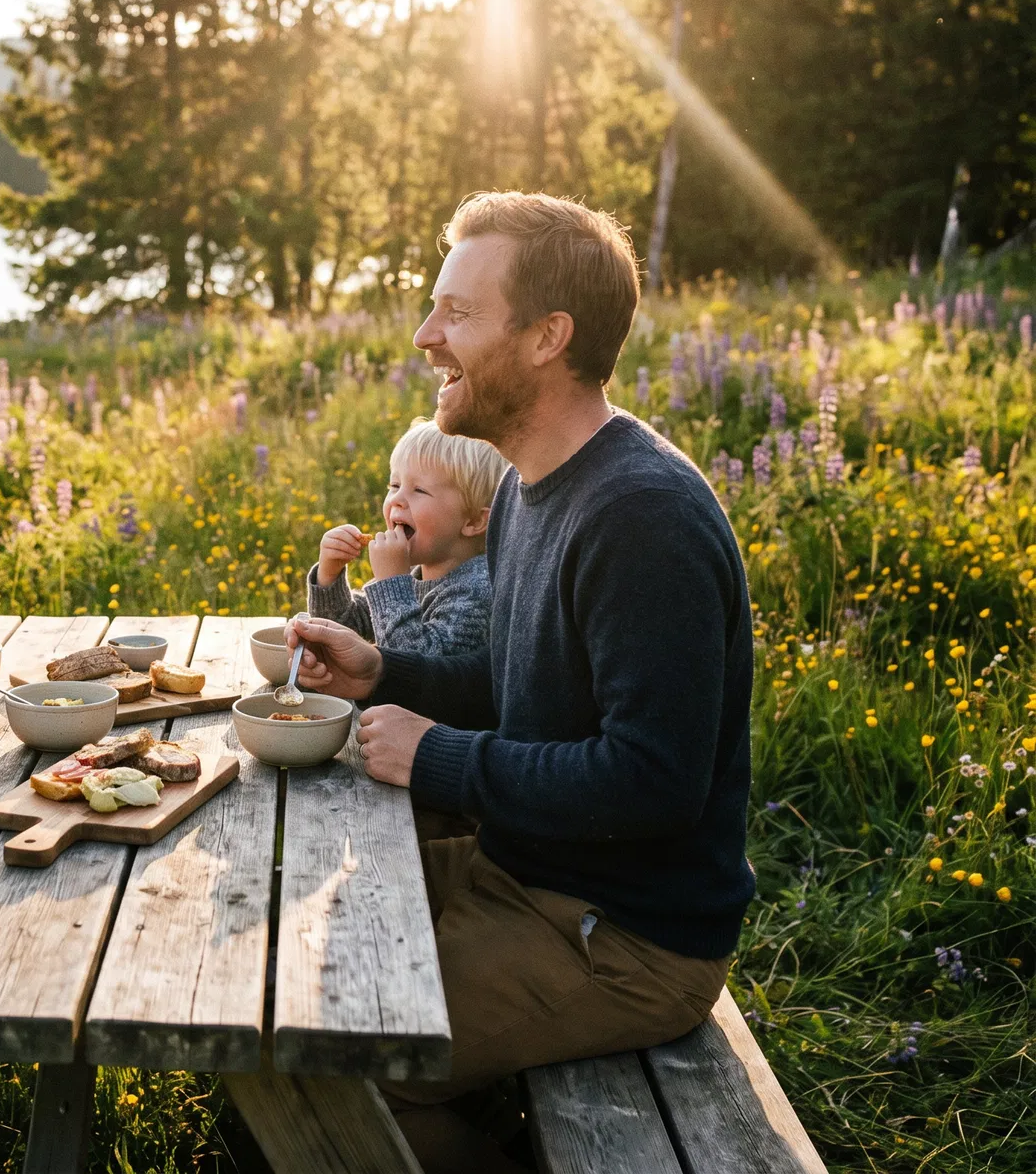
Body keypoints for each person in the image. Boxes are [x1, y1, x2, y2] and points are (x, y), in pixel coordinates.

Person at [289, 193, 754, 1174]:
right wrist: (385, 669)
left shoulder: (641, 518)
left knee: (321, 1060)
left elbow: (652, 781)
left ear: (549, 337)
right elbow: (523, 686)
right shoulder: (538, 488)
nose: (425, 337)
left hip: (625, 937)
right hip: (529, 877)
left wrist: (439, 758)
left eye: (456, 312)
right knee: (281, 973)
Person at [306, 416, 505, 658]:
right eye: (394, 485)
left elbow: (414, 669)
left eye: (419, 490)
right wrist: (329, 575)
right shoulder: (414, 578)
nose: (397, 499)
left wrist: (391, 584)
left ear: (473, 521)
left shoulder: (476, 592)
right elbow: (340, 636)